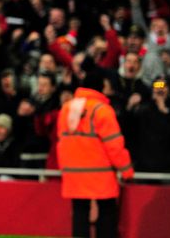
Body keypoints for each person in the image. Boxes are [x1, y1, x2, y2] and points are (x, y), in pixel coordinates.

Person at [57, 71, 134, 238]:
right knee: (107, 213)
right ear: (100, 88)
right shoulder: (102, 110)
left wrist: (65, 169)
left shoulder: (66, 109)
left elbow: (61, 142)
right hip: (100, 175)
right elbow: (114, 145)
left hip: (74, 174)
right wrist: (127, 170)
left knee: (79, 213)